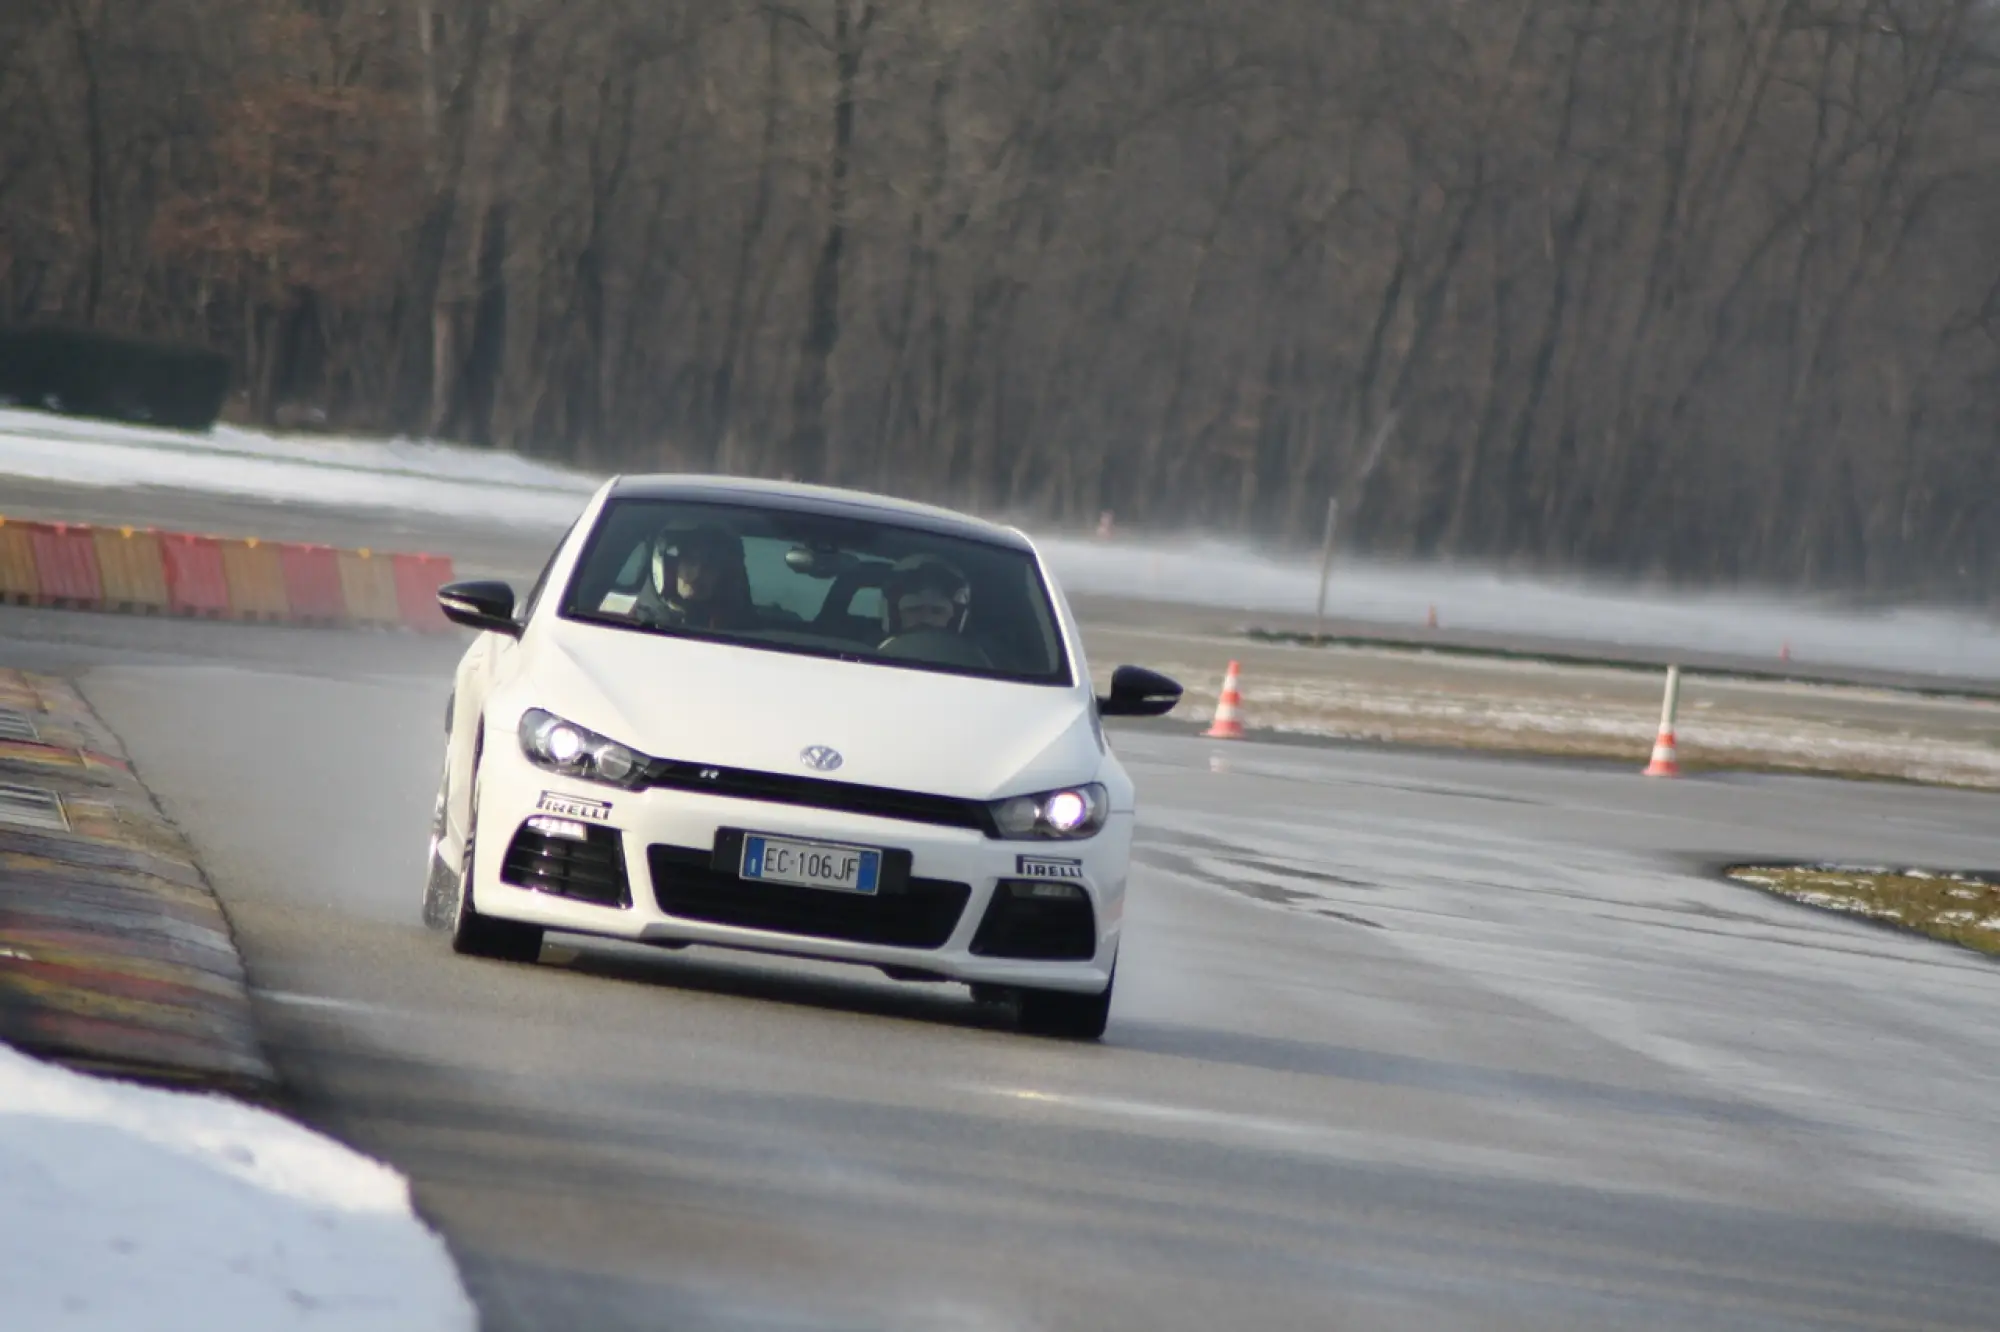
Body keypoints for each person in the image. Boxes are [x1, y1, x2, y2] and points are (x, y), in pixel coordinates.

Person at [639, 525, 750, 630]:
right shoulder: (640, 624)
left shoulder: (743, 628)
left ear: (723, 574)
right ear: (669, 567)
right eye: (690, 561)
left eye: (709, 564)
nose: (698, 574)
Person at [879, 555, 972, 641]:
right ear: (894, 615)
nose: (926, 619)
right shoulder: (873, 651)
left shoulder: (966, 657)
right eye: (914, 609)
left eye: (937, 611)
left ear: (954, 620)